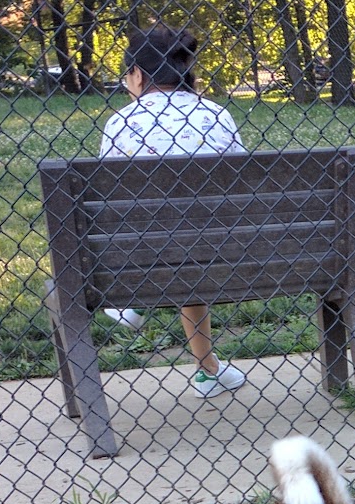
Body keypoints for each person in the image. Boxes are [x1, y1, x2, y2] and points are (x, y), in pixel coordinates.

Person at [99, 23, 248, 397]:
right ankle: (208, 371)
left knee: (136, 216)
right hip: (221, 252)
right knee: (189, 240)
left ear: (136, 74)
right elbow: (244, 189)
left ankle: (126, 291)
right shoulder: (216, 114)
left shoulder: (121, 123)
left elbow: (107, 200)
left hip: (145, 252)